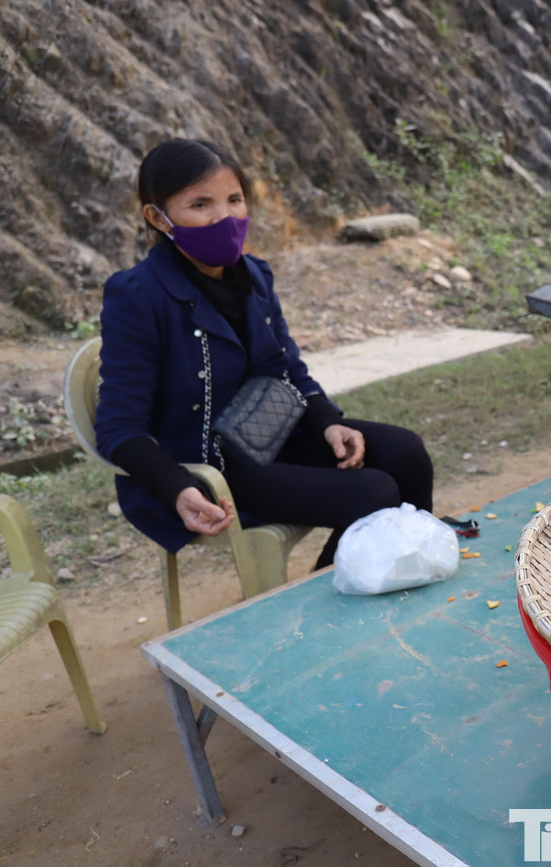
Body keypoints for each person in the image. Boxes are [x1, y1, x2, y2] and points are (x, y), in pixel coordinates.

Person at [95, 138, 434, 571]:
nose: (224, 217)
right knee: (373, 493)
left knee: (407, 453)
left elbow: (285, 368)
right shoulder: (137, 295)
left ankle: (406, 572)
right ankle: (325, 613)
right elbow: (118, 428)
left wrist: (326, 421)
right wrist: (177, 486)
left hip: (272, 435)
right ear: (157, 217)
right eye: (200, 204)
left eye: (234, 199)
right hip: (211, 467)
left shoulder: (254, 275)